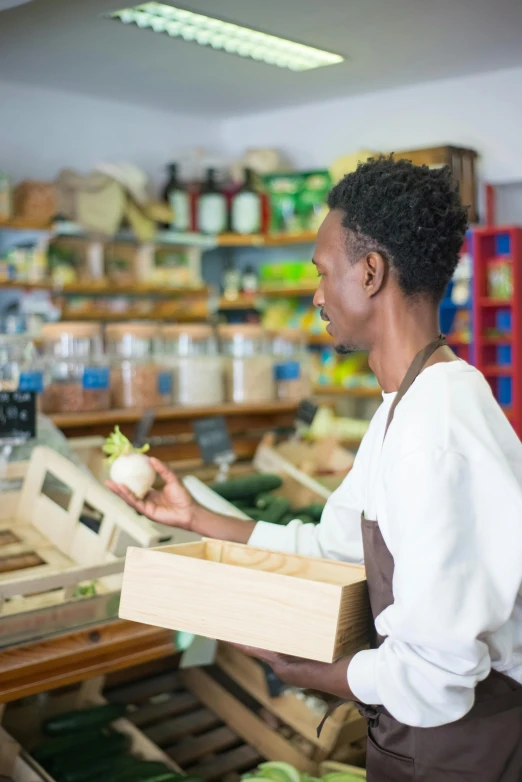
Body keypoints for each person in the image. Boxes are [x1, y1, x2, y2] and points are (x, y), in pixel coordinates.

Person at [109, 157, 522, 781]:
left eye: (324, 272)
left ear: (372, 272)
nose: (317, 294)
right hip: (419, 741)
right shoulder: (404, 409)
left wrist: (311, 674)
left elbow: (440, 673)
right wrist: (194, 517)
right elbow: (329, 548)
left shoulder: (435, 435)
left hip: (464, 752)